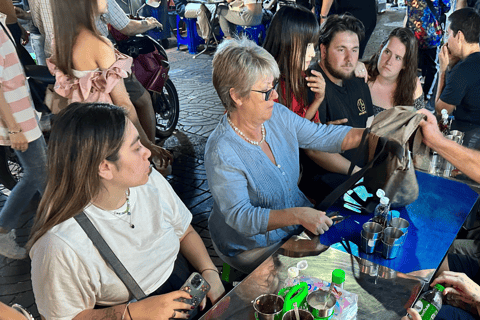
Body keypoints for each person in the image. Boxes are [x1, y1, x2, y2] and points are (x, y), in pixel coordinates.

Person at [28, 102, 225, 320]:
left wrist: (209, 272)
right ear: (104, 167)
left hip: (190, 291)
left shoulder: (149, 181)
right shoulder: (59, 245)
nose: (147, 152)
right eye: (136, 147)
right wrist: (132, 313)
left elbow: (184, 232)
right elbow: (63, 317)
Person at [205, 37, 365, 274]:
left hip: (294, 224)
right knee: (328, 268)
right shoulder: (222, 150)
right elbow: (241, 217)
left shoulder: (277, 115)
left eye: (274, 87)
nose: (276, 97)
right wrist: (298, 215)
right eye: (266, 91)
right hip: (250, 245)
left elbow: (321, 135)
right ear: (237, 96)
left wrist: (373, 134)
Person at [46, 0, 171, 168]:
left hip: (82, 130)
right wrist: (147, 143)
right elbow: (123, 103)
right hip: (108, 128)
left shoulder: (59, 40)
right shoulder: (99, 44)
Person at [299, 13, 373, 203]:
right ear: (323, 50)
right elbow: (313, 150)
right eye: (341, 49)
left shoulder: (357, 78)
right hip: (327, 178)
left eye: (355, 50)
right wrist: (357, 173)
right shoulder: (312, 85)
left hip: (361, 171)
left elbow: (370, 126)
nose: (350, 59)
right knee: (369, 206)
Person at [0, 15, 47, 260]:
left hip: (23, 115)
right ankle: (67, 230)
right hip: (17, 121)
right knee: (44, 177)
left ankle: (3, 227)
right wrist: (15, 128)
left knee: (35, 175)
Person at [360, 27, 425, 116]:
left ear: (405, 65)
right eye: (387, 52)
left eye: (398, 58)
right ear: (380, 49)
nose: (389, 62)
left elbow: (419, 122)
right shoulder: (362, 75)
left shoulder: (412, 85)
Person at [435, 8, 480, 133]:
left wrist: (443, 70)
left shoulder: (462, 71)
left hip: (471, 139)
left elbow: (441, 110)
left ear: (459, 36)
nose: (447, 40)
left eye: (448, 34)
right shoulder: (468, 64)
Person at [405, 0, 451, 100]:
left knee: (411, 63)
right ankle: (426, 95)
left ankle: (409, 92)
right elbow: (447, 7)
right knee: (432, 66)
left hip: (413, 33)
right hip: (431, 36)